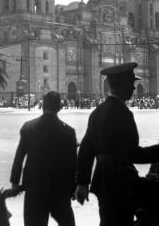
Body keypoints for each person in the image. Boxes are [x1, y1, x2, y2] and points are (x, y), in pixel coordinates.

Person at [76, 62, 159, 226]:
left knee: (108, 220)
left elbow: (86, 149)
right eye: (131, 84)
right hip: (121, 183)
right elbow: (132, 154)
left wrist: (82, 183)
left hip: (103, 181)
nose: (134, 89)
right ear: (120, 85)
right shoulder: (123, 113)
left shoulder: (97, 112)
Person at [10, 91, 77, 226]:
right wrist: (74, 188)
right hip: (60, 188)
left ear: (42, 106)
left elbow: (19, 157)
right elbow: (73, 164)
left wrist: (15, 182)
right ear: (60, 107)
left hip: (34, 187)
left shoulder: (28, 128)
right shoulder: (68, 132)